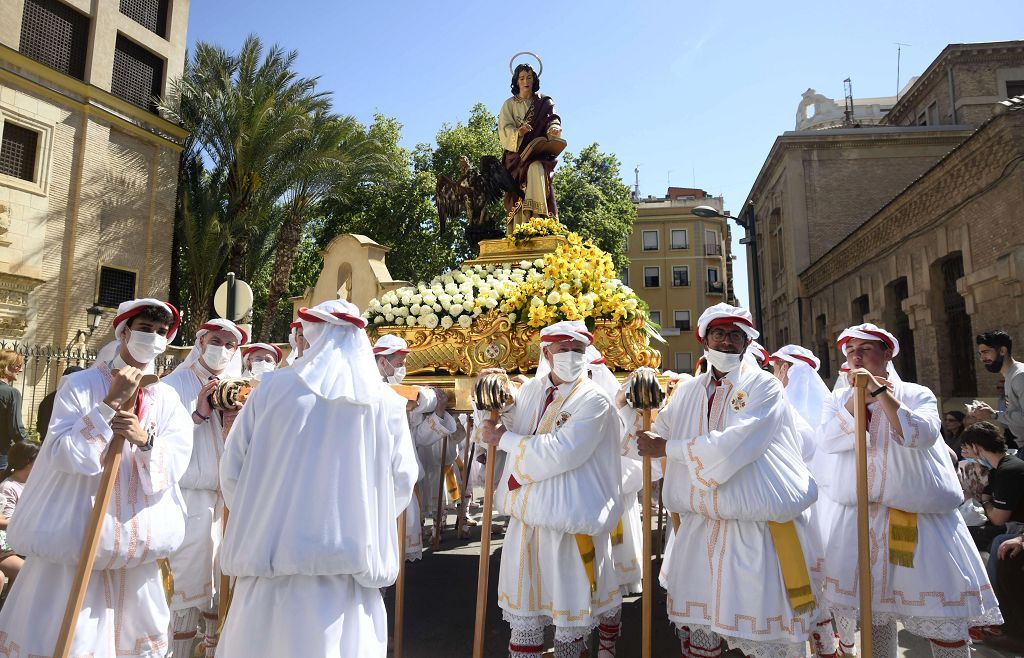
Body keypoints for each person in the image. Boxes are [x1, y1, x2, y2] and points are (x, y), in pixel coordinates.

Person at [216, 299, 418, 658]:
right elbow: (401, 481)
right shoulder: (386, 403)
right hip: (347, 575)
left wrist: (264, 516)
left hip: (270, 565)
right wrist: (359, 521)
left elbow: (232, 471)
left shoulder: (271, 389)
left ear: (313, 334)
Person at [637, 303, 834, 658]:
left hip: (757, 532)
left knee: (763, 635)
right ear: (704, 340)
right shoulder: (687, 391)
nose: (727, 341)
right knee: (703, 633)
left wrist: (668, 447)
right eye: (719, 333)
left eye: (735, 335)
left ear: (746, 343)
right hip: (701, 528)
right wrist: (635, 410)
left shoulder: (765, 386)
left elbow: (737, 443)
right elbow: (654, 434)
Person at [0, 298, 192, 658]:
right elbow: (62, 454)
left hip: (136, 552)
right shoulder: (81, 385)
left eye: (160, 332)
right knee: (70, 638)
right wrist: (108, 405)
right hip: (78, 543)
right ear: (124, 331)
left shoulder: (167, 399)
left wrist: (145, 440)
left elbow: (176, 461)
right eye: (145, 329)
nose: (152, 338)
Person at [818, 323, 1002, 658]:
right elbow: (828, 440)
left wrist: (879, 393)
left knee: (936, 610)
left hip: (915, 521)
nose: (856, 357)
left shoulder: (917, 393)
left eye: (865, 349)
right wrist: (855, 402)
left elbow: (921, 435)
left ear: (886, 354)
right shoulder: (840, 399)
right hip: (861, 521)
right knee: (875, 617)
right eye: (850, 351)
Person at [479, 321, 623, 658]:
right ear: (547, 352)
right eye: (564, 350)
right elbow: (513, 426)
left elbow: (566, 451)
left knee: (568, 620)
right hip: (527, 521)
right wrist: (490, 411)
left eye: (578, 351)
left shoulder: (595, 399)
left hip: (568, 525)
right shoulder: (532, 389)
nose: (572, 357)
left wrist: (506, 440)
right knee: (526, 617)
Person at [162, 318, 248, 658]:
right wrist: (197, 414)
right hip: (189, 500)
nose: (222, 349)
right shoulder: (174, 385)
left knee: (221, 587)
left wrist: (233, 425)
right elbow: (160, 441)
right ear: (200, 342)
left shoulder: (237, 388)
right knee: (186, 589)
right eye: (217, 341)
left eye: (230, 345)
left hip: (227, 502)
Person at [374, 334, 462, 545]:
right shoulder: (371, 391)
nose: (403, 369)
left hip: (402, 477)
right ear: (383, 361)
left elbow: (415, 439)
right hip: (378, 477)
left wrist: (438, 414)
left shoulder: (405, 395)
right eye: (399, 363)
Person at [499, 62, 562, 229]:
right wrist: (519, 132)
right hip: (516, 156)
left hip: (538, 154)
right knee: (520, 183)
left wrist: (554, 128)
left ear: (534, 80)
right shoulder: (509, 104)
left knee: (536, 169)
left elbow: (552, 119)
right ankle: (522, 225)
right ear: (516, 81)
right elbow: (504, 129)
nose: (525, 81)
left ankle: (539, 219)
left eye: (529, 77)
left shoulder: (544, 102)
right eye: (521, 78)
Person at [959, 421, 1024, 552]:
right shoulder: (997, 469)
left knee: (959, 535)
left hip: (1017, 527)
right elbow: (986, 497)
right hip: (1009, 523)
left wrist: (986, 502)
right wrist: (987, 503)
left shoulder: (1008, 471)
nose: (965, 453)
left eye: (967, 448)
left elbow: (998, 519)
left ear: (976, 447)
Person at [970, 331, 1024, 448]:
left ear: (1002, 351)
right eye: (980, 354)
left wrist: (994, 415)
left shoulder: (1019, 376)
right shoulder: (1011, 376)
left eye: (985, 352)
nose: (982, 358)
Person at [0, 439, 38, 585]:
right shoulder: (8, 487)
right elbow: (5, 521)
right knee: (27, 573)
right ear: (28, 462)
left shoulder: (31, 484)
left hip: (24, 542)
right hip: (6, 545)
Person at [36, 365, 85, 441]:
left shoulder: (48, 399)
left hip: (47, 444)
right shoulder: (75, 401)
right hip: (64, 447)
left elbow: (39, 426)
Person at [0, 351, 27, 471]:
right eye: (18, 366)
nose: (20, 370)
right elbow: (17, 430)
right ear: (6, 365)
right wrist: (34, 449)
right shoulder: (12, 393)